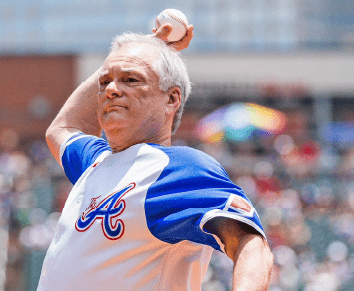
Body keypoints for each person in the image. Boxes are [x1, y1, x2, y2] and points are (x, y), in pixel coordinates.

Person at [40, 23, 274, 291]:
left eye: (131, 79)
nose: (110, 90)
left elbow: (252, 244)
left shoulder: (177, 167)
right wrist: (143, 46)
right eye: (105, 82)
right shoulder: (95, 161)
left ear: (172, 99)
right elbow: (63, 128)